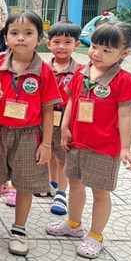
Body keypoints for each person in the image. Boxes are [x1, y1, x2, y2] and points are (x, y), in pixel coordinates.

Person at [0, 11, 61, 256]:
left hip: (29, 135)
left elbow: (48, 110)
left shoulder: (44, 71)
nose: (21, 38)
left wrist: (46, 144)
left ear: (39, 39)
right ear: (6, 38)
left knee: (25, 184)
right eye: (14, 33)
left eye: (28, 33)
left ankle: (19, 229)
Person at [47, 22, 131, 259]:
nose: (97, 53)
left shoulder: (124, 80)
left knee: (100, 192)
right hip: (76, 142)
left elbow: (125, 116)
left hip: (104, 148)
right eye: (94, 46)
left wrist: (126, 147)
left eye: (106, 50)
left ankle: (96, 236)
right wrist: (65, 127)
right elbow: (72, 101)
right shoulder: (81, 73)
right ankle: (73, 224)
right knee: (75, 184)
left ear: (124, 53)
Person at [41, 21, 82, 216]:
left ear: (77, 45)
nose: (61, 47)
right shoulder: (43, 68)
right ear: (48, 44)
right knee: (48, 151)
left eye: (68, 42)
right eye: (56, 42)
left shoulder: (81, 71)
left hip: (67, 119)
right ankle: (52, 183)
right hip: (46, 116)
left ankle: (61, 194)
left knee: (63, 156)